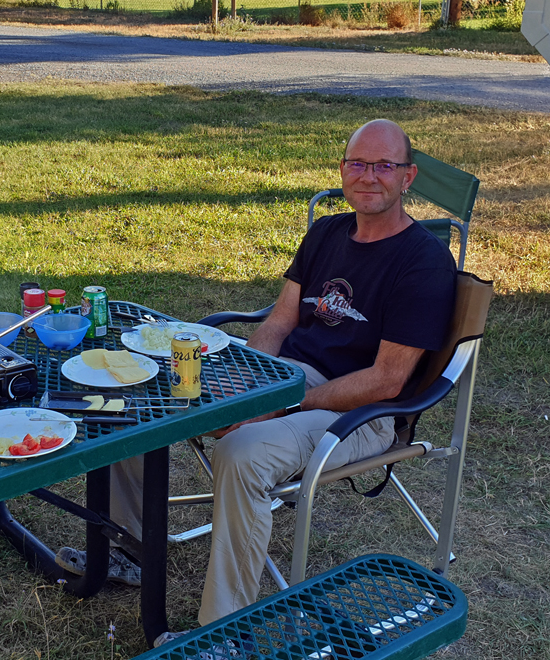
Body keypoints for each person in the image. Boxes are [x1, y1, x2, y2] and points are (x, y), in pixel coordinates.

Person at [60, 119, 457, 645]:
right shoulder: (327, 233)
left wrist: (280, 405)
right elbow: (277, 323)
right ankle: (129, 546)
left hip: (359, 412)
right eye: (358, 163)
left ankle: (223, 634)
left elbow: (387, 380)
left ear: (408, 178)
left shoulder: (423, 263)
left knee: (243, 454)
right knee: (143, 397)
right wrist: (248, 380)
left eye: (384, 165)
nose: (369, 176)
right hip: (288, 379)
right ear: (342, 170)